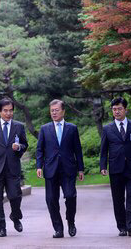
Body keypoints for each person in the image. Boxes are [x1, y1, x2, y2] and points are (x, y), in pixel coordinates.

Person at [36, 99, 84, 238]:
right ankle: (58, 228)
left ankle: (71, 221)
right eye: (52, 111)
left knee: (70, 196)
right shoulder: (45, 129)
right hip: (51, 169)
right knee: (51, 199)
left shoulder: (72, 128)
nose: (54, 113)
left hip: (68, 168)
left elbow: (78, 150)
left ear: (63, 111)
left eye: (57, 110)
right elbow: (40, 150)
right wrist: (39, 166)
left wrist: (80, 169)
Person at [0, 98, 29, 237]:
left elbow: (25, 145)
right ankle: (1, 228)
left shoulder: (19, 126)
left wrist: (19, 147)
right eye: (5, 111)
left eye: (11, 111)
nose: (8, 113)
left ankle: (15, 216)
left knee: (15, 196)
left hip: (12, 168)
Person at [100, 97, 131, 237]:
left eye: (119, 109)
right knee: (118, 199)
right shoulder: (107, 129)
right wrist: (103, 166)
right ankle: (122, 226)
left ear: (126, 109)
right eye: (114, 109)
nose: (117, 111)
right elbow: (103, 149)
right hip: (116, 168)